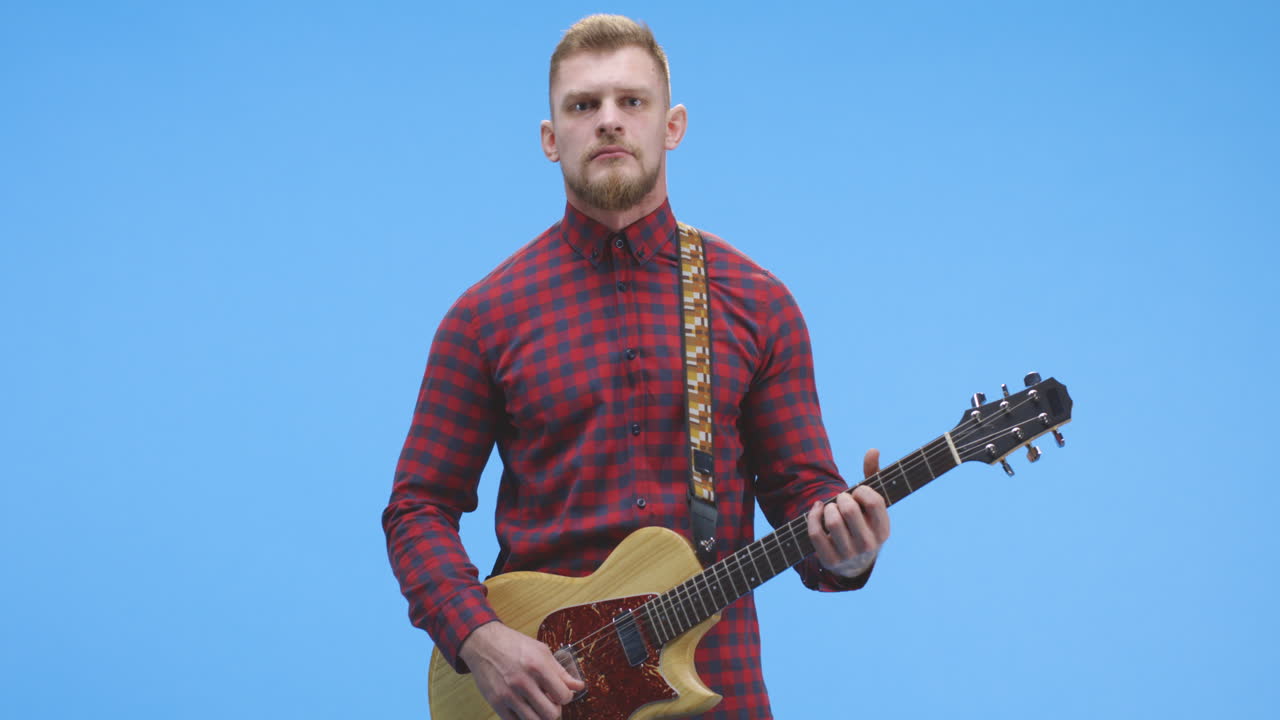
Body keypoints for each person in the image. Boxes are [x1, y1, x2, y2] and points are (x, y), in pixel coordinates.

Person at [382, 14, 890, 720]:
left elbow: (804, 489)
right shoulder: (484, 317)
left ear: (672, 125)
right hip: (547, 699)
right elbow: (418, 508)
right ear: (551, 139)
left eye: (632, 102)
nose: (609, 122)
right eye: (584, 106)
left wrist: (847, 551)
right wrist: (479, 638)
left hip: (718, 691)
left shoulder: (756, 302)